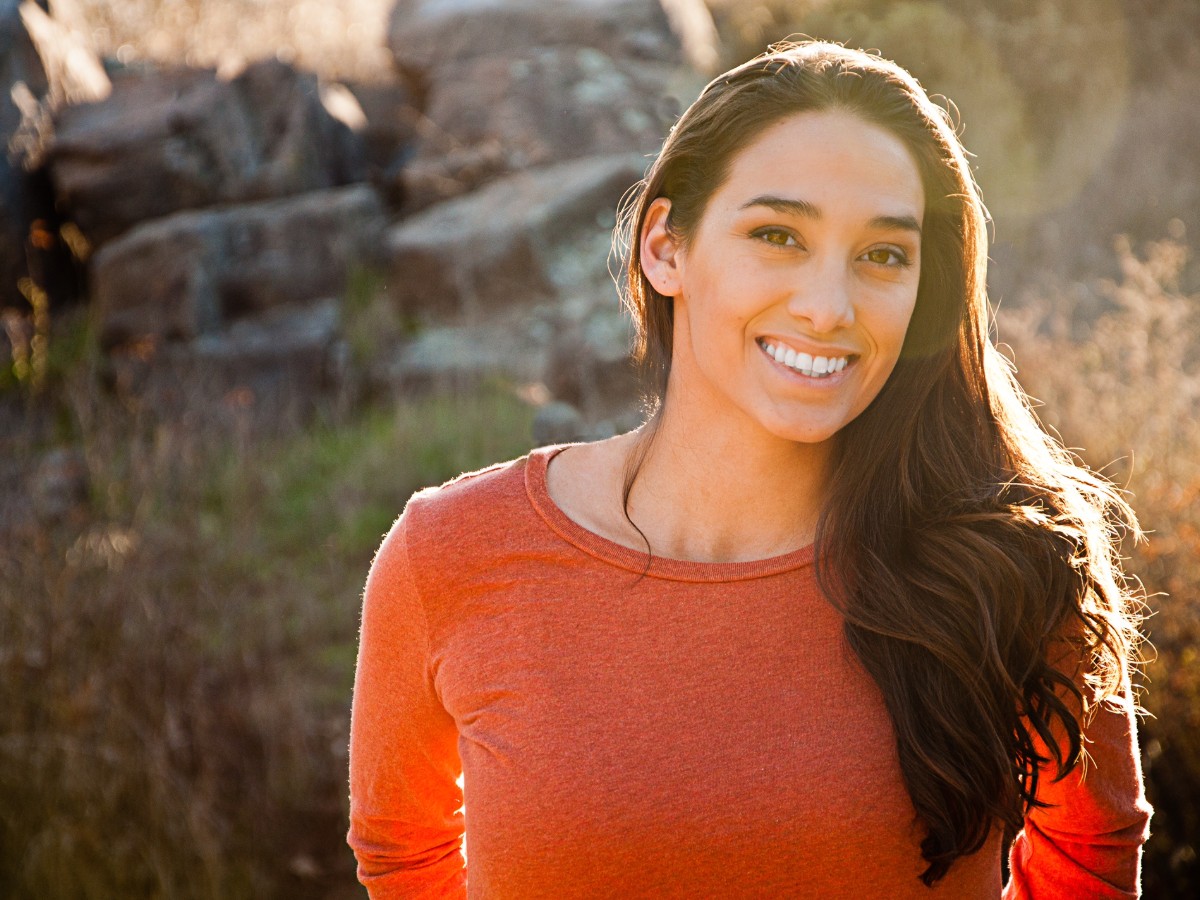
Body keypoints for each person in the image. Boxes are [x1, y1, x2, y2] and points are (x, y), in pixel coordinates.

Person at [347, 40, 1152, 898]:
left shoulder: (1010, 555)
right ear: (666, 248)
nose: (829, 306)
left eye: (884, 255)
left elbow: (1088, 850)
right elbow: (404, 852)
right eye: (778, 235)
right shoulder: (452, 556)